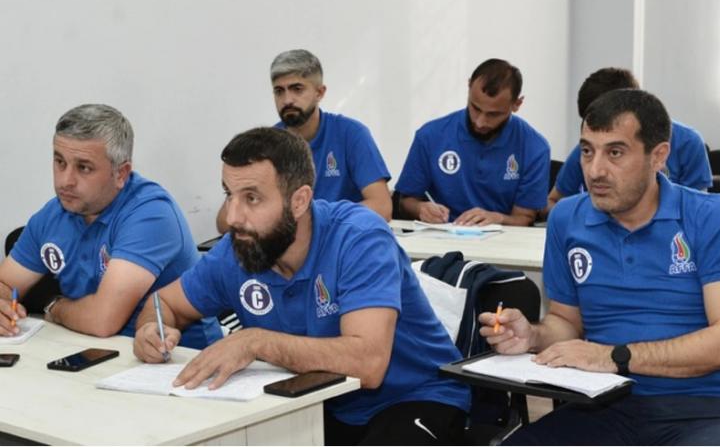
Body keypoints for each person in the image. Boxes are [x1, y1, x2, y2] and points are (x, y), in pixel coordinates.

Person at [135, 127, 470, 445]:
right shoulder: (237, 249)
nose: (232, 217)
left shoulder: (359, 238)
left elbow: (369, 364)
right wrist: (152, 329)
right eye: (229, 195)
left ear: (299, 201)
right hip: (319, 402)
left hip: (415, 398)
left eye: (252, 198)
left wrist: (255, 342)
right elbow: (164, 303)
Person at [480, 89, 720, 445]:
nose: (595, 170)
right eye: (587, 151)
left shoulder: (712, 215)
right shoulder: (566, 218)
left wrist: (616, 356)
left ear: (658, 156)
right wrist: (532, 336)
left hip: (707, 408)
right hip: (606, 405)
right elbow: (566, 322)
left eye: (615, 152)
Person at [0, 104, 221, 349]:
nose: (65, 181)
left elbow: (102, 321)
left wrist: (54, 307)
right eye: (60, 162)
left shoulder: (151, 214)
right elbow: (6, 284)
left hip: (176, 357)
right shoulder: (55, 213)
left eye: (84, 168)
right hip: (89, 349)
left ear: (121, 174)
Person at [216, 49, 391, 233]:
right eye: (279, 91)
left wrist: (312, 225)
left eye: (297, 89)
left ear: (319, 92)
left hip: (340, 238)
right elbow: (224, 223)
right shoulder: (265, 145)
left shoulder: (351, 133)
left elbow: (382, 207)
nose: (287, 100)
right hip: (285, 243)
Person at [395, 58, 550, 226]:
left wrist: (498, 219)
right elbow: (406, 201)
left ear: (517, 104)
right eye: (475, 108)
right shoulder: (430, 136)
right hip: (441, 235)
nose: (480, 122)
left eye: (493, 114)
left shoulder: (535, 148)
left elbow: (524, 218)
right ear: (469, 87)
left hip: (503, 239)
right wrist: (421, 209)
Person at [547, 67, 712, 215]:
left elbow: (698, 210)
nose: (595, 171)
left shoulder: (688, 142)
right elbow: (554, 200)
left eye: (615, 152)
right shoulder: (590, 150)